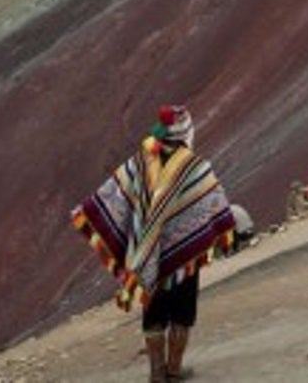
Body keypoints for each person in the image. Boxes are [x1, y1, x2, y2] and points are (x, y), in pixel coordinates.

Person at [71, 105, 235, 383]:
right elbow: (213, 201)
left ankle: (156, 373)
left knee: (154, 311)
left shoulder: (139, 163)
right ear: (185, 133)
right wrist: (225, 231)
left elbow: (115, 194)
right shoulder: (196, 168)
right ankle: (173, 370)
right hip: (185, 258)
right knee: (183, 310)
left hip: (149, 257)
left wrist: (89, 212)